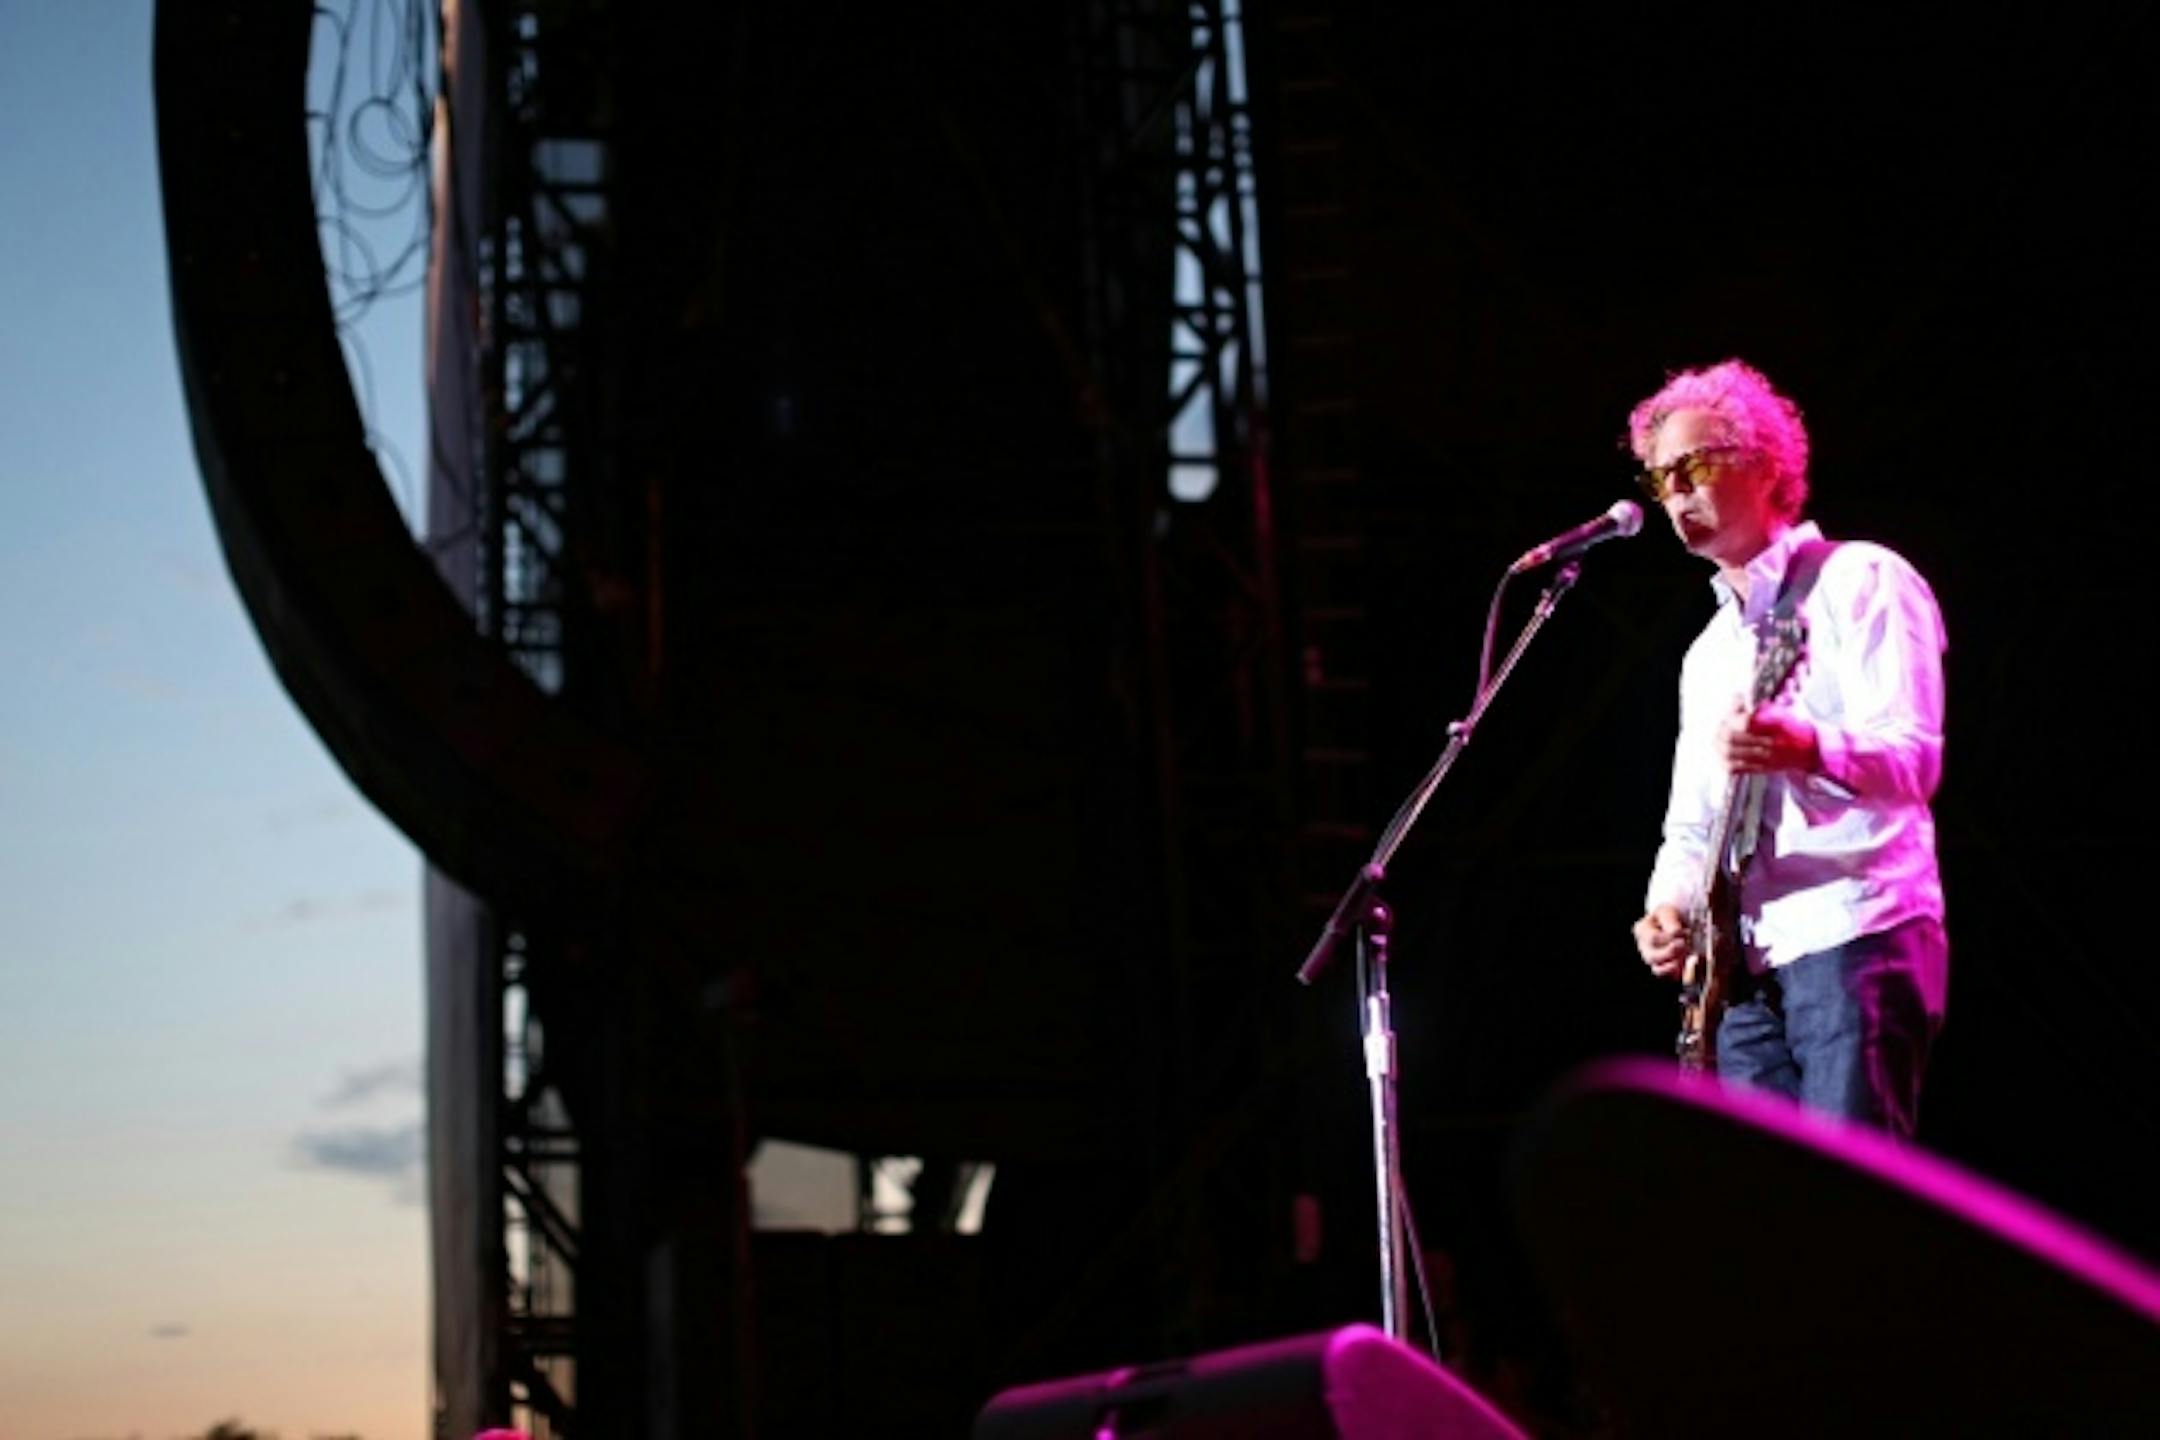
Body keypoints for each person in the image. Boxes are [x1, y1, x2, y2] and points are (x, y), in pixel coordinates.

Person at [1625, 358, 1948, 1137]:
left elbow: (1915, 760)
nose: (1676, 492)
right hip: (1742, 970)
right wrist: (1665, 907)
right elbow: (1691, 825)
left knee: (1847, 1195)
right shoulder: (1708, 654)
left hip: (1855, 930)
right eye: (1660, 477)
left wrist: (1808, 747)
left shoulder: (1862, 579)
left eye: (1696, 466)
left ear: (1766, 465)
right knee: (1761, 1203)